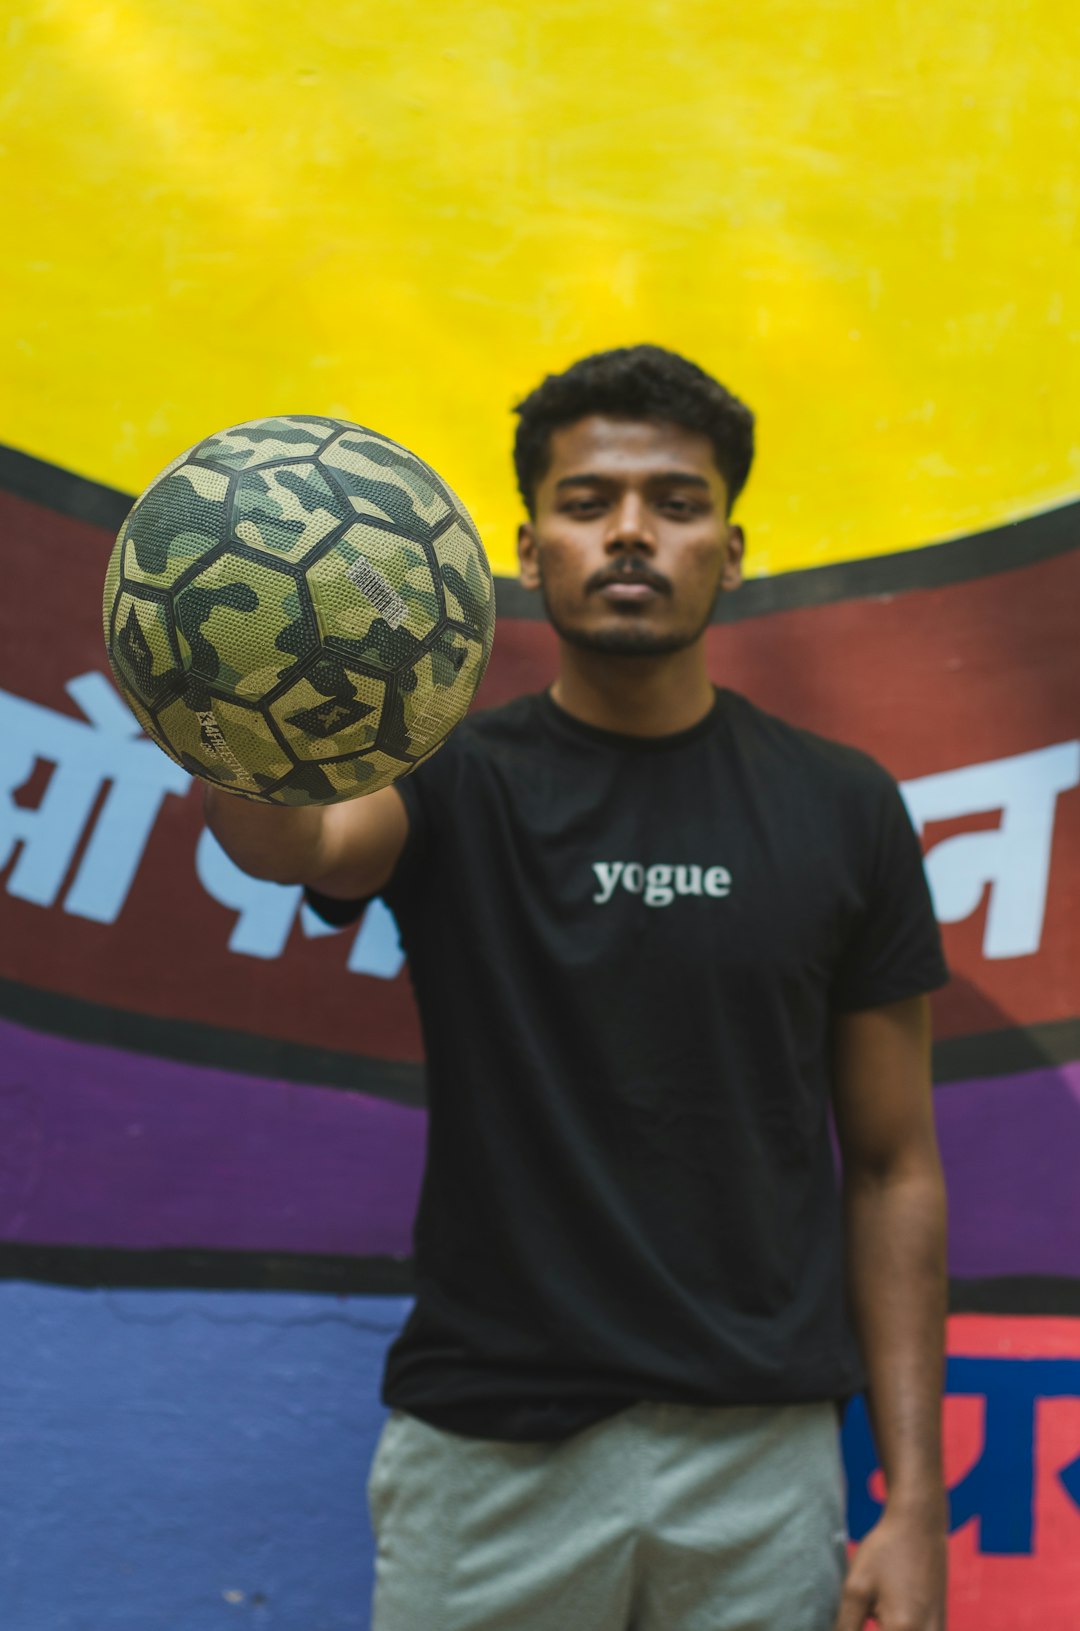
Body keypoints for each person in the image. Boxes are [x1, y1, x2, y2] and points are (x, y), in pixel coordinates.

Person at [205, 345, 950, 1631]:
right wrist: (232, 701)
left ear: (732, 543)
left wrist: (916, 1499)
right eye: (588, 499)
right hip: (490, 1455)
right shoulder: (454, 777)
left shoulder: (844, 805)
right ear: (527, 545)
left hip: (759, 1462)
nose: (629, 533)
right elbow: (302, 842)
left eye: (676, 500)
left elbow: (893, 1165)